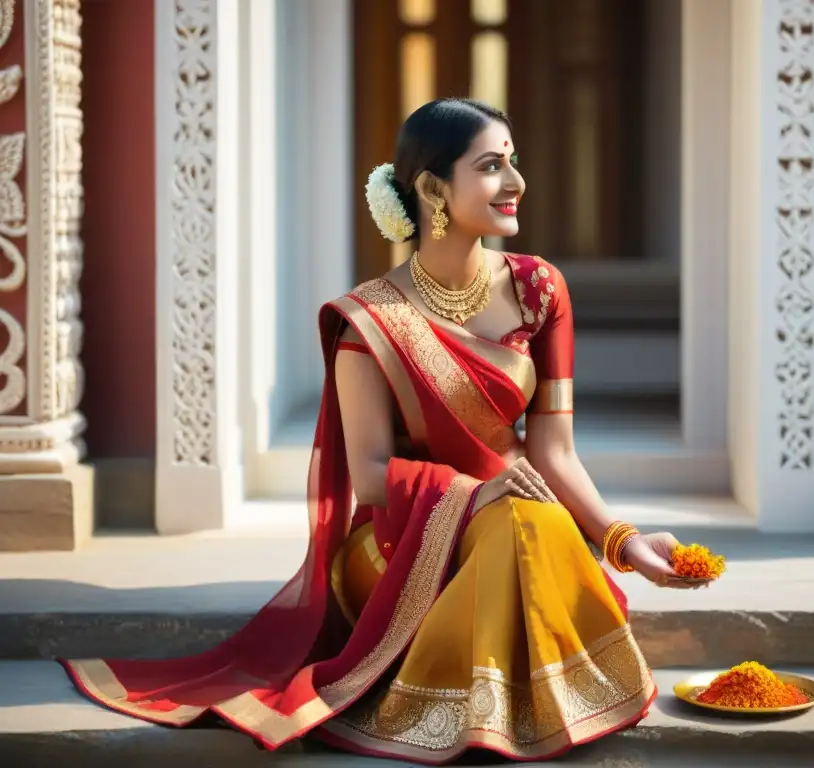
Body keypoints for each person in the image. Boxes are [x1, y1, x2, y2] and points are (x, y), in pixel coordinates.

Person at [60, 98, 710, 763]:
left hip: (520, 520)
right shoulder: (369, 323)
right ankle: (482, 713)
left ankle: (494, 714)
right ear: (432, 189)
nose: (515, 183)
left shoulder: (539, 290)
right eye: (491, 166)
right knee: (524, 521)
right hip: (405, 542)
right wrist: (473, 495)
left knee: (530, 523)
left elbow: (554, 452)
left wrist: (624, 542)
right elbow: (369, 472)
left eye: (514, 162)